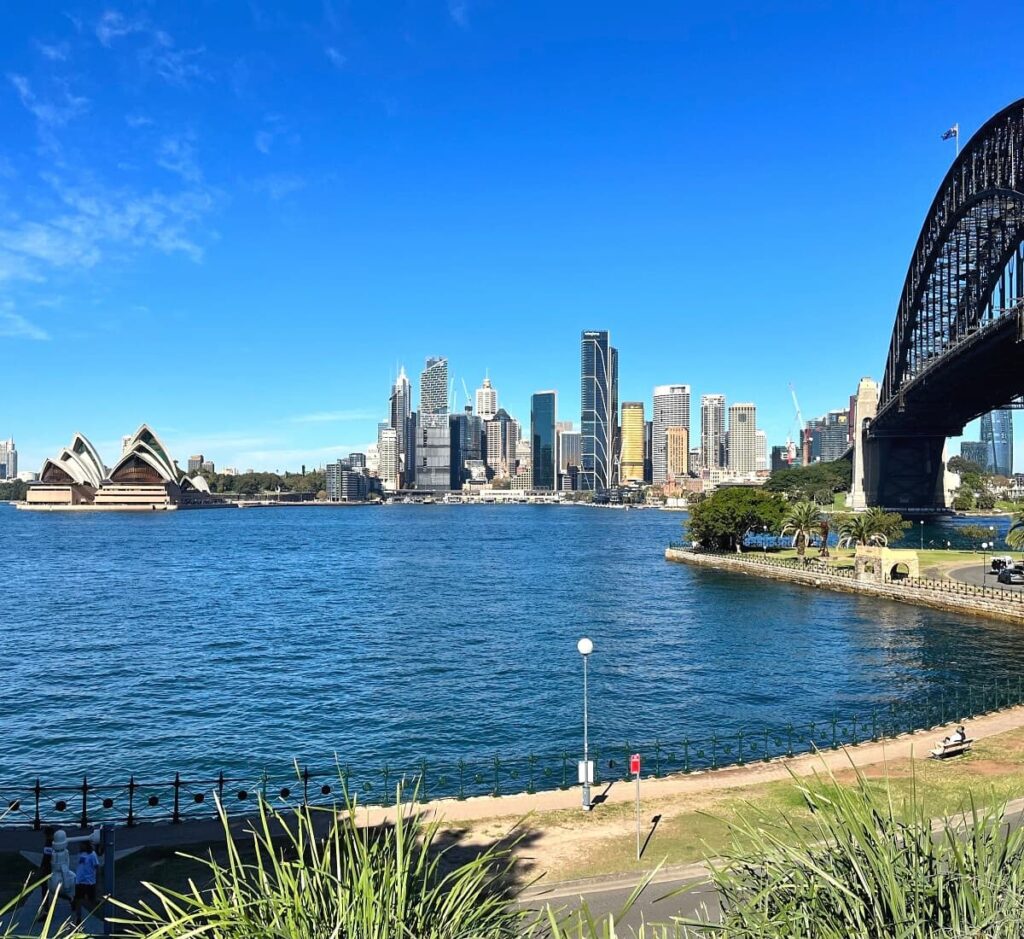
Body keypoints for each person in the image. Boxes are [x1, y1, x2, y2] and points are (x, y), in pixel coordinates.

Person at [73, 841, 99, 925]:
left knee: (91, 899)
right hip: (79, 881)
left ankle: (95, 907)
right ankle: (78, 917)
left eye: (82, 844)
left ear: (86, 845)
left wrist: (95, 876)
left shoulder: (92, 854)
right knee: (78, 899)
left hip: (89, 881)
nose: (80, 846)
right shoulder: (80, 854)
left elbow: (96, 866)